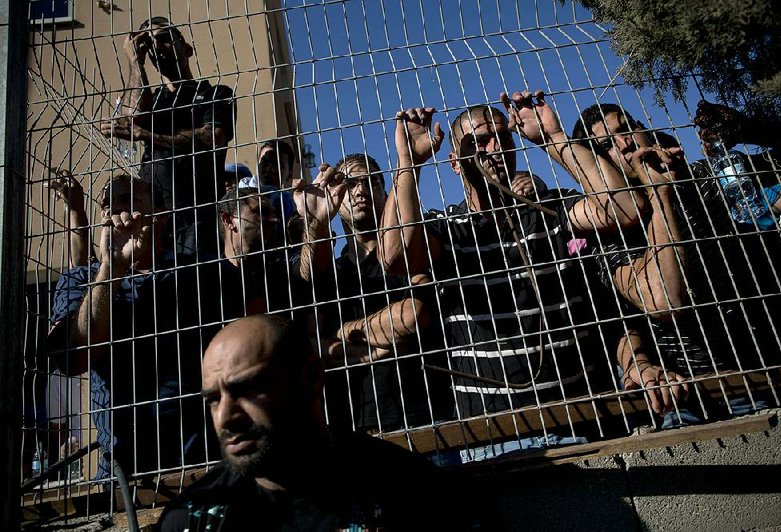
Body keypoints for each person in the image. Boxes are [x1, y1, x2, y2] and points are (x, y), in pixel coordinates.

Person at [378, 92, 640, 424]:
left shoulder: (551, 210)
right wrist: (409, 163)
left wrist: (553, 138)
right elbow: (395, 256)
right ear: (455, 163)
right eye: (480, 141)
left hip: (587, 419)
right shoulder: (447, 230)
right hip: (496, 436)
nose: (496, 148)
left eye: (503, 138)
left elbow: (624, 208)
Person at [572, 101, 781, 423]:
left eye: (626, 129)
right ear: (599, 164)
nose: (624, 143)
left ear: (643, 128)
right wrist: (658, 194)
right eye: (607, 144)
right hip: (699, 394)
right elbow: (662, 301)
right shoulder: (609, 233)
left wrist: (752, 132)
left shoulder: (713, 177)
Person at [157, 315, 472, 531]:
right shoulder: (192, 519)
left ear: (311, 377)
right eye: (213, 399)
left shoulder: (407, 492)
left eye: (247, 388)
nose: (226, 417)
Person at [46, 175, 208, 479]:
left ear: (158, 214)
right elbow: (75, 358)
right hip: (121, 470)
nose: (114, 211)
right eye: (106, 204)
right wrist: (113, 267)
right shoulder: (81, 280)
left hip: (199, 462)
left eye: (127, 200)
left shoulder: (197, 273)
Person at [316, 153, 450, 433]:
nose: (361, 190)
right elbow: (315, 347)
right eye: (350, 183)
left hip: (425, 420)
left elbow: (411, 317)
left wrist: (341, 332)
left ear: (386, 194)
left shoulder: (410, 254)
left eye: (371, 182)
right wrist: (380, 342)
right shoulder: (332, 273)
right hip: (355, 426)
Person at [101, 16, 236, 260]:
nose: (157, 48)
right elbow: (132, 117)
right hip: (153, 218)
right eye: (149, 44)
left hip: (197, 216)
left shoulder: (214, 93)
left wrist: (147, 135)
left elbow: (212, 136)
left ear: (186, 48)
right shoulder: (154, 101)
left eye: (163, 39)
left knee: (194, 285)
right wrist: (135, 61)